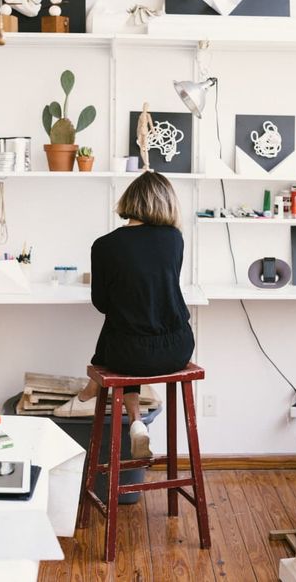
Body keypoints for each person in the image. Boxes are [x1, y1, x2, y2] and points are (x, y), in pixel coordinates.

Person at [72, 171, 194, 458]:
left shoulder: (104, 245)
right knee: (131, 326)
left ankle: (126, 413)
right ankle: (136, 423)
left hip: (128, 355)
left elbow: (101, 303)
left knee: (121, 325)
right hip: (178, 349)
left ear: (131, 200)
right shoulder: (174, 240)